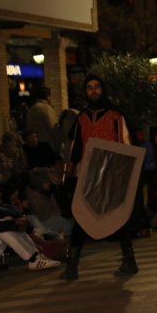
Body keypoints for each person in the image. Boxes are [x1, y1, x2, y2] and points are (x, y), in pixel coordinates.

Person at [59, 74, 139, 280]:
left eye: (97, 87)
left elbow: (126, 145)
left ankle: (129, 260)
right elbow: (76, 146)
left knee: (116, 218)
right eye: (89, 88)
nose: (93, 91)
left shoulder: (115, 116)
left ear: (103, 90)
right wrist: (71, 167)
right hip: (88, 175)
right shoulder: (82, 117)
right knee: (81, 216)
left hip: (111, 174)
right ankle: (72, 266)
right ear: (85, 92)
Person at [0, 178, 61, 270]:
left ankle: (36, 256)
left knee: (7, 220)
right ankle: (33, 259)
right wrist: (13, 223)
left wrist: (18, 223)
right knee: (4, 226)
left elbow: (13, 216)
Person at [26, 87, 62, 154]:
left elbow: (28, 127)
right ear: (48, 96)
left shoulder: (31, 109)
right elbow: (53, 127)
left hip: (34, 143)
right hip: (47, 144)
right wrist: (59, 142)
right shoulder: (47, 108)